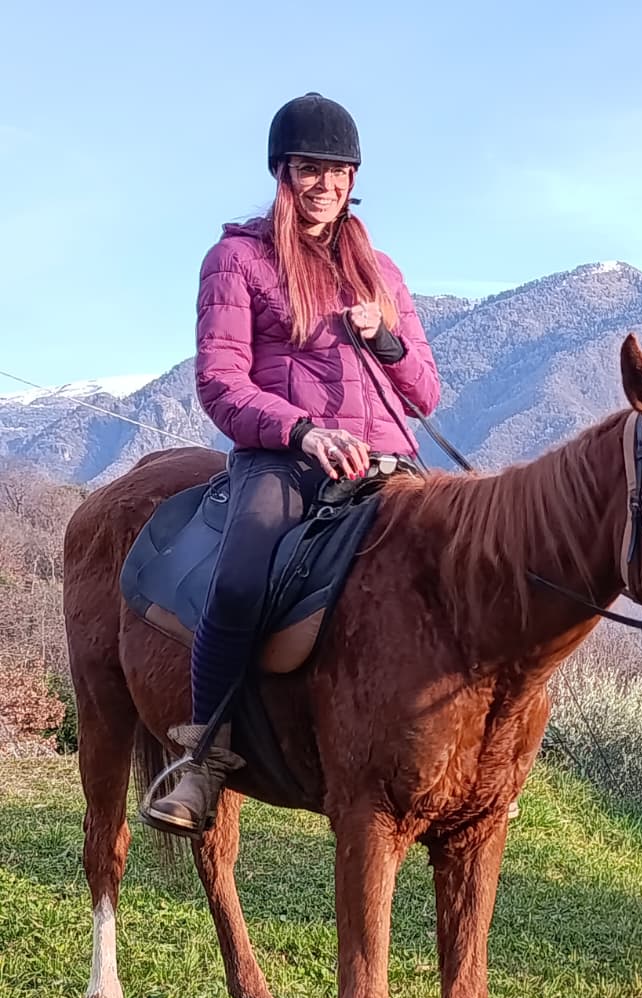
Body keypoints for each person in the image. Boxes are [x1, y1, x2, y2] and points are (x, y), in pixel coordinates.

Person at [140, 92, 441, 838]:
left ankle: (462, 753)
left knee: (461, 568)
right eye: (311, 168)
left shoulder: (382, 272)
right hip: (283, 460)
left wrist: (387, 338)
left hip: (385, 463)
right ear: (283, 172)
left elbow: (426, 393)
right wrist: (302, 432)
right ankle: (203, 757)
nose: (326, 185)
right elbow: (220, 382)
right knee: (241, 577)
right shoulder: (236, 260)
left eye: (339, 171)